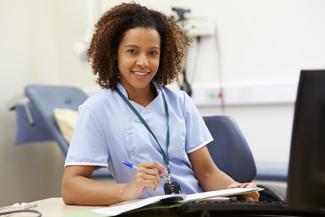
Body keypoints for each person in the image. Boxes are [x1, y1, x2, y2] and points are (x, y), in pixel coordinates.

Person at [61, 3, 259, 206]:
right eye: (132, 51)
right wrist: (128, 189)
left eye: (152, 53)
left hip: (196, 208)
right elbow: (71, 187)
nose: (143, 62)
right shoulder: (96, 110)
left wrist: (234, 189)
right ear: (114, 54)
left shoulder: (180, 102)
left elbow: (208, 173)